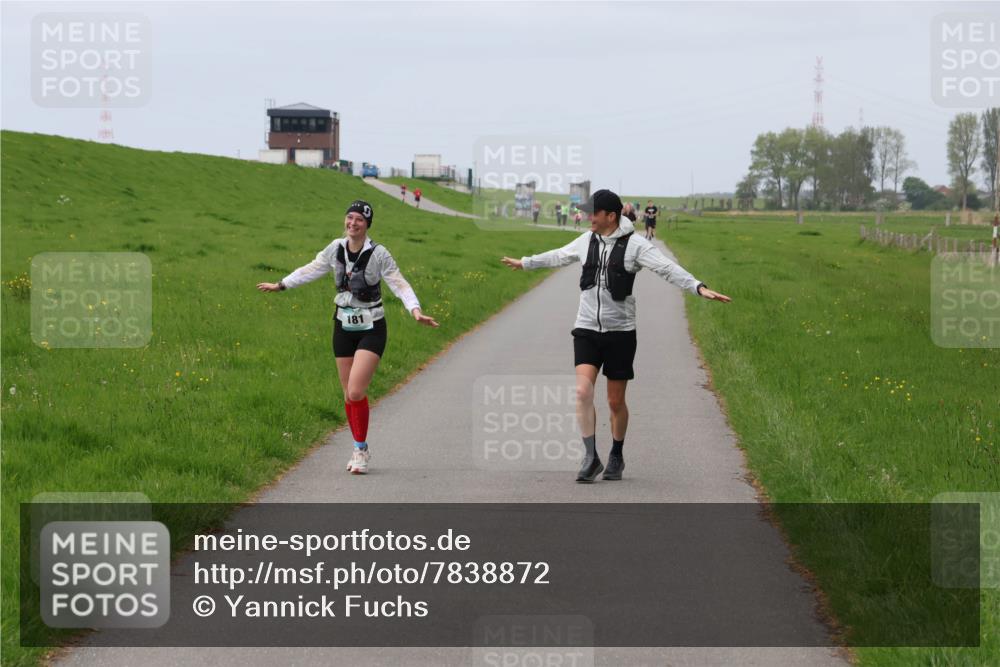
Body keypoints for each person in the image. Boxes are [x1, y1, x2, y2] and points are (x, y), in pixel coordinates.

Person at [500, 189, 730, 483]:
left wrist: (698, 286)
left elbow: (666, 268)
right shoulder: (586, 240)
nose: (587, 217)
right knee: (582, 392)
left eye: (593, 213)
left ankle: (617, 454)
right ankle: (590, 456)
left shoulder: (635, 245)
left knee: (614, 402)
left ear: (611, 216)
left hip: (620, 332)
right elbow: (560, 255)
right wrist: (526, 262)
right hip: (586, 328)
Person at [256, 200, 439, 474]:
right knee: (347, 394)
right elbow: (312, 268)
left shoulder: (379, 254)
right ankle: (358, 446)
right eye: (349, 218)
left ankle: (361, 451)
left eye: (359, 220)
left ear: (367, 225)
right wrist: (282, 284)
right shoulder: (336, 248)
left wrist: (415, 310)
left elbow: (399, 283)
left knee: (356, 391)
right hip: (342, 325)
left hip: (371, 327)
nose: (353, 223)